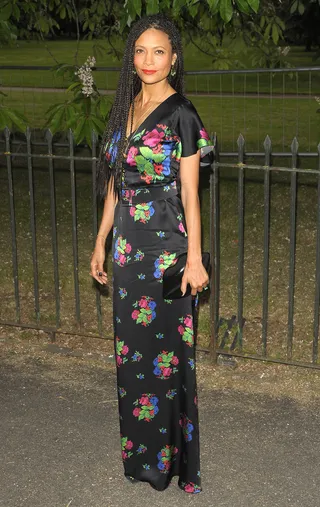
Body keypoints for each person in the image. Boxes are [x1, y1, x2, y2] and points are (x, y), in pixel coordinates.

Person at [90, 13, 211, 494]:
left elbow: (191, 195)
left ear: (174, 57)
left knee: (171, 357)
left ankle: (174, 466)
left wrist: (196, 259)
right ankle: (142, 461)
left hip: (169, 249)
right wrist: (100, 240)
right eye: (140, 50)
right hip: (127, 250)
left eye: (158, 51)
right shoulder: (125, 108)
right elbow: (116, 186)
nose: (148, 60)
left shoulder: (182, 113)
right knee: (134, 356)